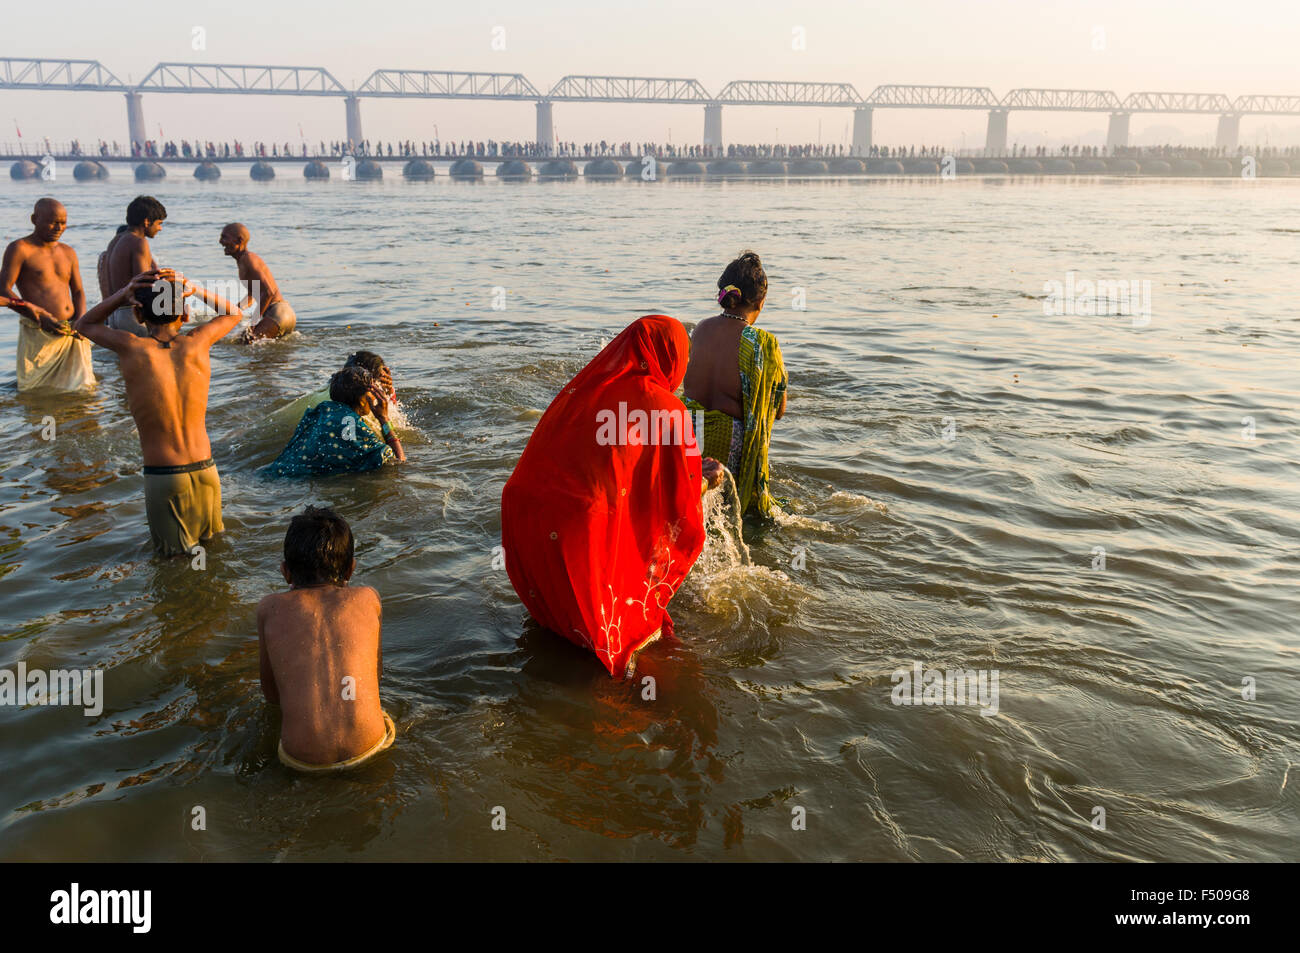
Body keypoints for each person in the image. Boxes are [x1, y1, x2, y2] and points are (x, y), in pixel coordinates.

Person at [501, 315, 722, 679]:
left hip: (523, 515)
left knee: (557, 621)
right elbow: (675, 498)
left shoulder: (584, 390)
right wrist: (706, 480)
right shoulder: (666, 408)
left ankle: (563, 629)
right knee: (627, 640)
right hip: (575, 529)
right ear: (673, 357)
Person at [75, 269, 244, 556]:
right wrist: (195, 288)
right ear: (186, 314)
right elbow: (234, 314)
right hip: (207, 470)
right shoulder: (198, 342)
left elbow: (84, 324)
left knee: (173, 563)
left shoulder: (131, 348)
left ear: (139, 314)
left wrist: (122, 294)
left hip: (165, 476)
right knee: (213, 553)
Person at [258, 506, 394, 772]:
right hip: (369, 745)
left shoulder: (268, 608)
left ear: (286, 572)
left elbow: (271, 696)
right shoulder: (368, 599)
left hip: (303, 760)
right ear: (351, 570)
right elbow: (376, 676)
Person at [682, 250, 787, 518]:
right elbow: (778, 409)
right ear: (761, 301)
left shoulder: (700, 328)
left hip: (688, 433)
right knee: (733, 517)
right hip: (728, 441)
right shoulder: (763, 343)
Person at [1, 198, 94, 392]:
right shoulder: (20, 249)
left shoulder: (68, 252)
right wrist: (38, 316)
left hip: (71, 331)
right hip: (38, 330)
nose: (59, 227)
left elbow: (78, 291)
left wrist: (81, 320)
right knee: (36, 390)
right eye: (53, 222)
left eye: (63, 222)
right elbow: (3, 290)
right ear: (34, 219)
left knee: (82, 389)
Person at [264, 365, 405, 477]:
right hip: (298, 480)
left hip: (277, 472)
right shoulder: (351, 423)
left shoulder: (321, 411)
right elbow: (398, 462)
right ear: (363, 401)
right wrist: (384, 419)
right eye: (373, 392)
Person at [269, 350, 396, 438]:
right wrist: (385, 421)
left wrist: (390, 392)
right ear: (369, 387)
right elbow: (396, 458)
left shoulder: (334, 390)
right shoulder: (357, 413)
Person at [217, 223, 297, 342]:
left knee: (244, 342)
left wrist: (253, 322)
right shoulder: (243, 260)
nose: (220, 241)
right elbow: (252, 295)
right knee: (271, 358)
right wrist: (231, 312)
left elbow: (269, 292)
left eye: (224, 237)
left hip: (277, 313)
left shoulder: (248, 258)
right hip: (284, 314)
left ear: (239, 240)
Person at [103, 196, 166, 336]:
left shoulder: (117, 239)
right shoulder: (139, 242)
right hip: (133, 314)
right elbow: (144, 286)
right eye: (159, 223)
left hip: (116, 313)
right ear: (146, 221)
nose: (160, 228)